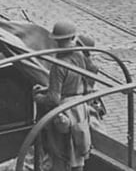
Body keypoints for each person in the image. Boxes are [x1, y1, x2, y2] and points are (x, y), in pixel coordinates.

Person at [33, 20, 95, 171]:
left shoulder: (58, 65)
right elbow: (83, 78)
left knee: (61, 155)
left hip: (65, 113)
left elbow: (54, 99)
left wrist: (38, 97)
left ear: (56, 41)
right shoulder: (79, 55)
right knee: (78, 152)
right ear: (72, 37)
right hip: (80, 109)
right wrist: (48, 88)